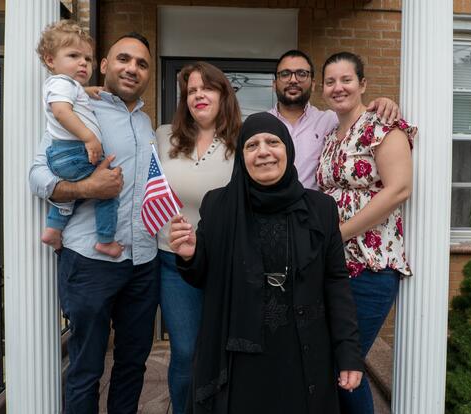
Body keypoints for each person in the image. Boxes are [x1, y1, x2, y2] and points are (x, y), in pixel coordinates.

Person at [168, 112, 364, 414]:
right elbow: (202, 276)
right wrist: (190, 255)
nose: (263, 151)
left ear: (287, 148)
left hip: (302, 353)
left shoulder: (321, 208)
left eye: (272, 142)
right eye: (252, 145)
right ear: (241, 157)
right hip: (239, 358)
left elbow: (335, 282)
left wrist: (348, 354)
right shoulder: (218, 205)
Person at [29, 32, 159, 414]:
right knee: (86, 368)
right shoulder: (78, 107)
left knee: (133, 364)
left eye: (141, 63)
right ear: (104, 65)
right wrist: (89, 186)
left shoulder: (147, 122)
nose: (131, 68)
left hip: (143, 262)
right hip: (89, 261)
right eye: (123, 59)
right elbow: (38, 177)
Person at [316, 52, 417, 414]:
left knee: (346, 364)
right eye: (330, 81)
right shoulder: (330, 136)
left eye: (346, 80)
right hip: (332, 266)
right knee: (332, 360)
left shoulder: (383, 127)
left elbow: (398, 189)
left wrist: (337, 234)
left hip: (370, 267)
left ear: (363, 84)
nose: (338, 87)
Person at [155, 62, 241, 414]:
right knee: (187, 351)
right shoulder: (162, 135)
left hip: (227, 262)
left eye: (208, 88)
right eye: (191, 90)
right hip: (174, 261)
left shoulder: (245, 138)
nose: (199, 95)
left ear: (223, 95)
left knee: (226, 349)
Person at [35, 20, 122, 258]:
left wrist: (87, 90)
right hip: (74, 151)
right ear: (50, 60)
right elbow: (62, 112)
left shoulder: (65, 85)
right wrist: (90, 138)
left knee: (69, 199)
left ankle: (53, 229)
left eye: (87, 58)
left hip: (63, 154)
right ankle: (105, 239)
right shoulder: (62, 84)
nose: (83, 62)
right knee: (107, 189)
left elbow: (68, 96)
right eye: (73, 55)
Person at [269, 49, 402, 190]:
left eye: (302, 74)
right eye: (285, 74)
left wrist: (384, 102)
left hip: (312, 210)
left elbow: (359, 114)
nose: (293, 80)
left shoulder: (331, 121)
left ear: (314, 84)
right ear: (274, 84)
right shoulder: (259, 126)